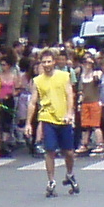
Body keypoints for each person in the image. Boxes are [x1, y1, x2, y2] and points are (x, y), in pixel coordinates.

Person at [29, 48, 80, 197]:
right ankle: (51, 180)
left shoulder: (64, 76)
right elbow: (33, 102)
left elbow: (70, 95)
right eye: (44, 62)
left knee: (69, 152)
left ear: (54, 62)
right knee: (50, 150)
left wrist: (70, 113)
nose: (47, 64)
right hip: (47, 117)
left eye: (49, 61)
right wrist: (28, 123)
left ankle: (70, 174)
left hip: (63, 118)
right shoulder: (37, 80)